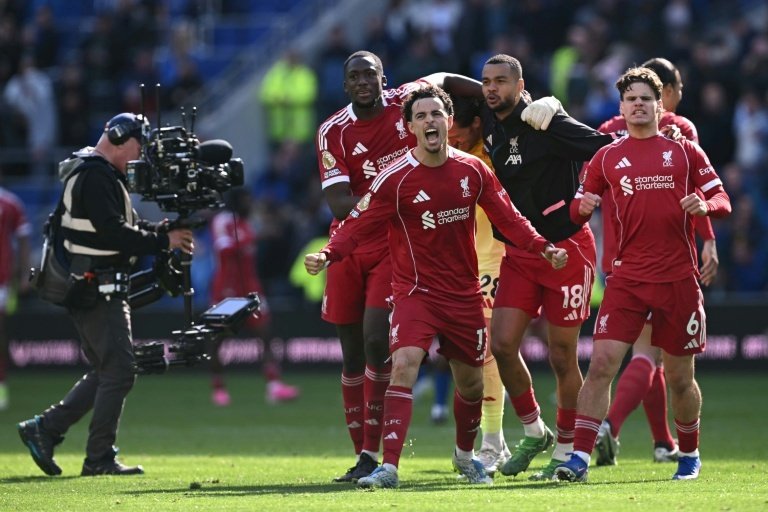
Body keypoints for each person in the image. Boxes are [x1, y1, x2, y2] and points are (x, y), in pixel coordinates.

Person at [306, 85, 568, 489]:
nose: (430, 121)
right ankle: (388, 467)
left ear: (448, 122)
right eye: (421, 116)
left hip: (464, 294)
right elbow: (356, 223)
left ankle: (465, 457)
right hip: (415, 293)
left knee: (471, 384)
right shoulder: (395, 179)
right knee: (405, 364)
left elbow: (509, 217)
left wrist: (541, 246)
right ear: (409, 127)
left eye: (436, 115)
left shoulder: (472, 170)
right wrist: (328, 254)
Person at [554, 67, 731, 483]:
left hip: (678, 280)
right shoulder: (606, 157)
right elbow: (577, 206)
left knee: (679, 378)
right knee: (600, 366)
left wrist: (708, 208)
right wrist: (580, 208)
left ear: (659, 105)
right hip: (626, 280)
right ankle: (579, 459)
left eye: (645, 99)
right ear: (621, 107)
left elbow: (721, 195)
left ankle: (688, 455)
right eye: (630, 98)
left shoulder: (685, 151)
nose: (637, 104)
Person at [314, 50, 483, 483]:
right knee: (352, 354)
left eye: (370, 74)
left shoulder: (407, 101)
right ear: (346, 84)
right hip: (350, 241)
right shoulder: (333, 131)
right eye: (355, 76)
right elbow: (337, 202)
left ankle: (377, 452)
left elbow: (446, 74)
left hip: (396, 241)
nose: (364, 82)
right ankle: (363, 456)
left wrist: (493, 97)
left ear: (383, 78)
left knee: (376, 341)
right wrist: (397, 192)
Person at [17, 113, 195, 476]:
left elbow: (122, 226)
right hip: (94, 286)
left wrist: (161, 232)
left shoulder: (97, 171)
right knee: (120, 370)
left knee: (108, 368)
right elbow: (113, 233)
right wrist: (164, 240)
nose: (140, 155)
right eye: (138, 145)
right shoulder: (96, 174)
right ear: (117, 137)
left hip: (94, 285)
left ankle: (45, 429)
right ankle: (98, 458)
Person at [479, 54, 615, 480]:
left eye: (501, 81)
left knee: (561, 355)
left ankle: (568, 447)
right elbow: (450, 83)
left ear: (520, 86)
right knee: (500, 345)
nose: (490, 88)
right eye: (486, 81)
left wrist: (585, 194)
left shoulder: (546, 123)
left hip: (567, 249)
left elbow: (606, 148)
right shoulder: (491, 124)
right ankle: (534, 430)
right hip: (521, 253)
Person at [593, 57, 719, 466]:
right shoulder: (682, 132)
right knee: (651, 356)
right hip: (660, 261)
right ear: (673, 93)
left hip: (616, 258)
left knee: (641, 355)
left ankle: (663, 442)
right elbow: (696, 194)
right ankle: (610, 425)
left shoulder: (605, 133)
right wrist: (709, 242)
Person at [446, 95, 510, 474]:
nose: (449, 139)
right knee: (474, 353)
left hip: (496, 260)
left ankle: (491, 441)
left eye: (456, 133)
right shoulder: (445, 155)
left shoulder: (493, 153)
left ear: (476, 125)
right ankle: (497, 439)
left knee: (489, 350)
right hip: (462, 263)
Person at [208, 187, 299, 406]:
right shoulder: (224, 220)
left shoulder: (246, 223)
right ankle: (219, 387)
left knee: (266, 335)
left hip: (250, 288)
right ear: (237, 201)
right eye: (247, 199)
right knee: (218, 339)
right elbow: (224, 249)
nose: (250, 203)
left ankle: (274, 385)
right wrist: (253, 237)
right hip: (227, 289)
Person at [0, 183, 31, 410]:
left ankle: (1, 387)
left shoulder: (10, 202)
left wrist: (24, 275)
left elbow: (23, 240)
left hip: (2, 281)